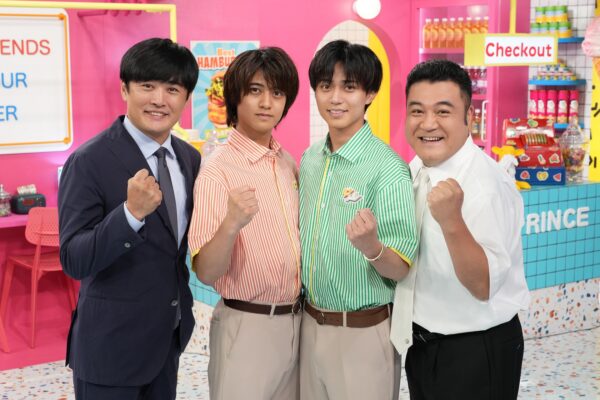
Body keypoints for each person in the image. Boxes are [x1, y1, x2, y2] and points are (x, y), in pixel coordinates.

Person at [58, 38, 201, 400]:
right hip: (110, 349)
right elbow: (74, 259)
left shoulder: (189, 158)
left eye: (172, 89)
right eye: (147, 86)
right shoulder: (88, 161)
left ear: (186, 98)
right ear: (125, 89)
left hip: (167, 342)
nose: (159, 100)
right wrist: (130, 214)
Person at [390, 59, 530, 400]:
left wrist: (452, 220)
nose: (428, 123)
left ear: (468, 117)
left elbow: (483, 285)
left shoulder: (484, 184)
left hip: (476, 350)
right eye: (417, 111)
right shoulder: (417, 166)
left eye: (443, 111)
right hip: (424, 345)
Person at [299, 39, 418, 400]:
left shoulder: (388, 168)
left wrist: (372, 247)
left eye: (349, 87)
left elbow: (401, 268)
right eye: (326, 86)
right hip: (308, 325)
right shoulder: (310, 160)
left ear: (370, 94)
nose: (335, 98)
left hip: (363, 333)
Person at [188, 47, 301, 400]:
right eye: (255, 90)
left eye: (277, 92)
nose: (267, 103)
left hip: (298, 323)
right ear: (235, 97)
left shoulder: (286, 162)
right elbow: (206, 272)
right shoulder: (217, 171)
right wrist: (231, 224)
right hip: (246, 325)